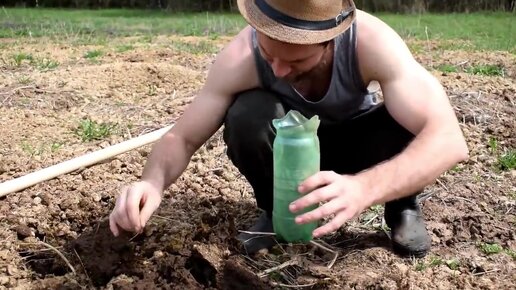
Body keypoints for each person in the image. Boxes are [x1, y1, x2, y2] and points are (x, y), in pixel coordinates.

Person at [109, 0, 469, 258]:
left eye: (296, 59)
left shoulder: (372, 43)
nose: (279, 70)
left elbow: (448, 139)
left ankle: (402, 206)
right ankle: (274, 210)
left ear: (331, 40)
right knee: (247, 114)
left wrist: (366, 187)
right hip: (291, 154)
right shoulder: (240, 57)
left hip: (359, 147)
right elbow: (182, 136)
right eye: (270, 56)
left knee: (404, 119)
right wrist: (151, 182)